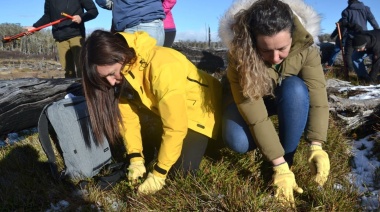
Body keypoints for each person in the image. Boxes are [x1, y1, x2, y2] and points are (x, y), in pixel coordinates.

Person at [80, 30, 222, 195]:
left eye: (112, 73)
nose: (111, 82)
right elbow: (127, 120)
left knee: (181, 173)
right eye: (104, 78)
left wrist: (159, 174)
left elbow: (175, 126)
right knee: (160, 151)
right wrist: (135, 159)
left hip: (201, 111)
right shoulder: (123, 72)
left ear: (120, 55)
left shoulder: (163, 66)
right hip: (164, 112)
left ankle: (217, 141)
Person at [218, 0, 330, 206]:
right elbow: (254, 113)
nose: (275, 57)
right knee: (238, 141)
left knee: (296, 88)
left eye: (282, 48)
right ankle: (279, 165)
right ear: (253, 41)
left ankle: (288, 160)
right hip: (249, 101)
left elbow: (317, 95)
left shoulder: (306, 47)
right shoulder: (239, 53)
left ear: (293, 35)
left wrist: (316, 145)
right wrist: (276, 164)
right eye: (266, 50)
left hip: (285, 97)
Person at [25, 0, 98, 78]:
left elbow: (93, 11)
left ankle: (85, 89)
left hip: (76, 36)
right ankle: (72, 89)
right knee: (68, 71)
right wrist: (35, 27)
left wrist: (81, 17)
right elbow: (48, 16)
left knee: (82, 68)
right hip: (60, 39)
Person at [95, 0, 165, 46]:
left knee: (134, 66)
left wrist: (118, 5)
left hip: (134, 26)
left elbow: (104, 2)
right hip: (157, 24)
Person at [341, 0, 379, 75]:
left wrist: (342, 36)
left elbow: (345, 26)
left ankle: (360, 74)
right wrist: (377, 31)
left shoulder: (346, 11)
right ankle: (370, 75)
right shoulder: (365, 9)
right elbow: (372, 20)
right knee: (374, 55)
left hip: (353, 36)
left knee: (350, 55)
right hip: (365, 36)